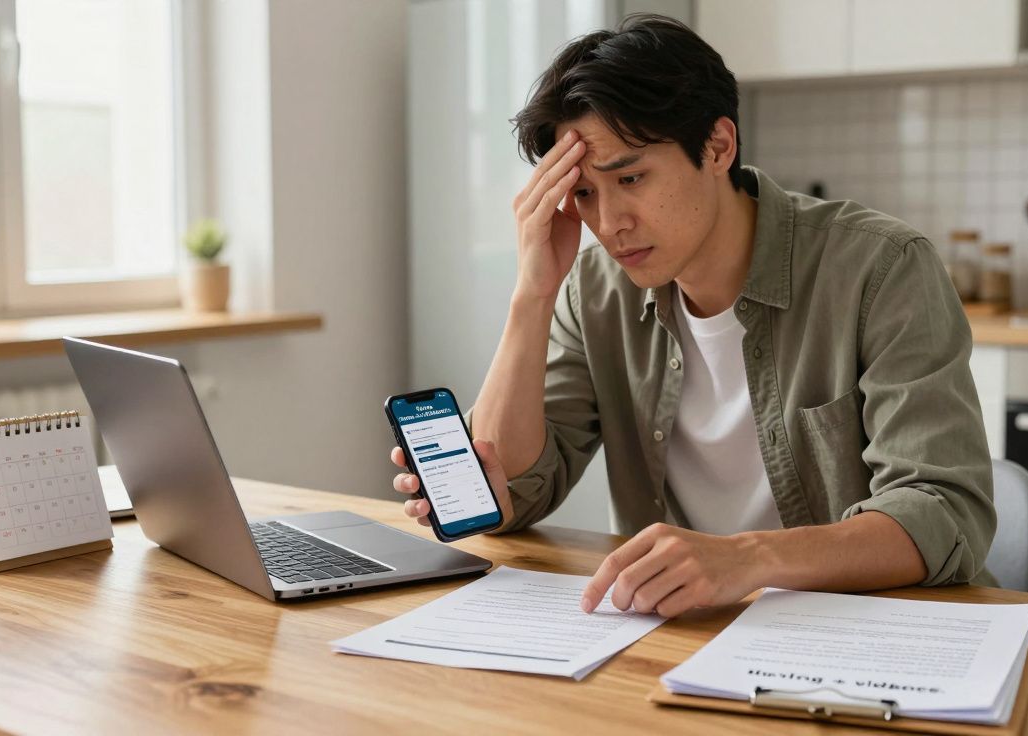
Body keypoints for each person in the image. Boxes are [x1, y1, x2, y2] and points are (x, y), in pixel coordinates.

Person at [390, 14, 995, 618]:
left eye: (630, 177)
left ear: (718, 145)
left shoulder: (879, 268)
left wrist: (747, 557)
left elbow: (943, 511)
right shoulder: (595, 289)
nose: (608, 223)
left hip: (872, 634)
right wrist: (532, 293)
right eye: (584, 194)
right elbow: (519, 488)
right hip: (682, 635)